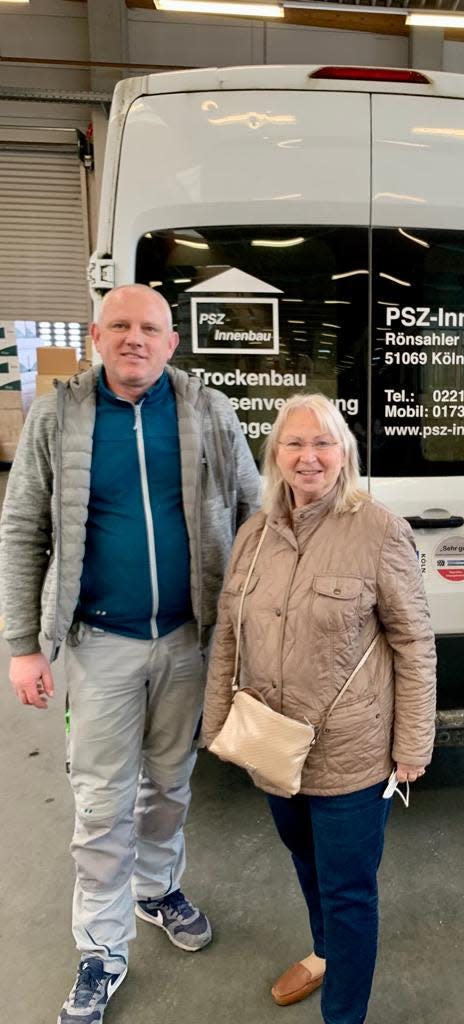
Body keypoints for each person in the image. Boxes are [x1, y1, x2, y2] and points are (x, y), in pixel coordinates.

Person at [0, 284, 261, 1024]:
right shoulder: (58, 416)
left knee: (171, 786)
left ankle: (156, 889)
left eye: (150, 327)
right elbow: (22, 532)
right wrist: (23, 646)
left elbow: (253, 513)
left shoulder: (209, 411)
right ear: (96, 335)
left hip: (188, 642)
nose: (134, 339)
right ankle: (100, 949)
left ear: (172, 342)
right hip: (100, 645)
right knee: (101, 801)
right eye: (120, 325)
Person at [202, 392, 436, 1024]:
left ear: (344, 454)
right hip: (272, 742)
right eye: (295, 443)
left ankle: (344, 1014)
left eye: (323, 443)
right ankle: (325, 950)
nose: (309, 457)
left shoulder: (380, 530)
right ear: (276, 453)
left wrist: (412, 746)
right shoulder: (254, 533)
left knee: (349, 889)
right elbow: (229, 631)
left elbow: (413, 641)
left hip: (351, 751)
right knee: (304, 857)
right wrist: (216, 721)